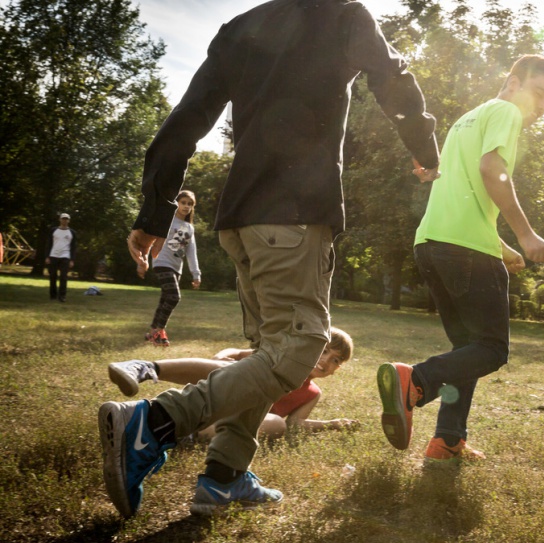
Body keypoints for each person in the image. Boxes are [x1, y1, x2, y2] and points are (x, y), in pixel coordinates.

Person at [99, 0, 439, 519]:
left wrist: (152, 213)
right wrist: (424, 145)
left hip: (240, 218)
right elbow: (390, 76)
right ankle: (156, 422)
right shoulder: (343, 15)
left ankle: (224, 475)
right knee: (298, 349)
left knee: (268, 351)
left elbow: (188, 119)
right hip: (295, 216)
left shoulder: (240, 28)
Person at [376, 55, 544, 462]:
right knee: (491, 349)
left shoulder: (466, 120)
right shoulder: (507, 112)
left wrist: (501, 245)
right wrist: (524, 234)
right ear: (512, 82)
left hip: (432, 245)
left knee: (467, 350)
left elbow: (466, 195)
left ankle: (448, 439)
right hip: (465, 252)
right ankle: (415, 381)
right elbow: (492, 170)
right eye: (538, 92)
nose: (541, 105)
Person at [108, 327, 358, 442]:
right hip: (225, 391)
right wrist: (221, 355)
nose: (325, 360)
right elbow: (237, 353)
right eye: (323, 351)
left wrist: (331, 425)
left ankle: (173, 429)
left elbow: (295, 423)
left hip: (238, 421)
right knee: (232, 370)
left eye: (335, 359)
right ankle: (145, 367)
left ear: (338, 369)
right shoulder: (280, 360)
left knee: (277, 423)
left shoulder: (312, 393)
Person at [142, 190, 202, 347]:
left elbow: (191, 251)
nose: (186, 206)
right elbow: (149, 240)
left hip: (176, 267)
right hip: (161, 262)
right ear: (177, 203)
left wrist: (196, 274)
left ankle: (152, 333)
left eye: (190, 204)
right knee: (174, 296)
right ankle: (158, 332)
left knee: (165, 299)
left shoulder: (189, 227)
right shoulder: (167, 221)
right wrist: (141, 261)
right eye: (183, 203)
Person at [45, 213, 78, 302]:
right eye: (63, 219)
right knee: (53, 276)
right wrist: (47, 256)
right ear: (60, 220)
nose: (65, 220)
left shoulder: (72, 233)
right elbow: (49, 244)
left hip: (65, 256)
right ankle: (53, 295)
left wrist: (72, 259)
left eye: (66, 219)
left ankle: (62, 296)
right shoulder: (53, 230)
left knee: (63, 277)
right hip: (53, 255)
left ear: (69, 221)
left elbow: (74, 247)